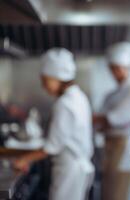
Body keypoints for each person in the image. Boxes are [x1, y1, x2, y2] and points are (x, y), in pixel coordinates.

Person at [13, 48, 94, 200]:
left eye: (45, 80)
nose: (44, 86)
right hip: (76, 168)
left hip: (70, 170)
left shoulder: (65, 103)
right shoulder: (78, 96)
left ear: (58, 77)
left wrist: (24, 159)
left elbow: (52, 146)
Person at [93, 42, 130, 200]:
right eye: (112, 69)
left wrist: (91, 118)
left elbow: (114, 118)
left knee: (118, 192)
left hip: (123, 146)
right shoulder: (114, 93)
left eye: (116, 68)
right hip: (111, 144)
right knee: (108, 190)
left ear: (126, 67)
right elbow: (103, 119)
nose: (114, 73)